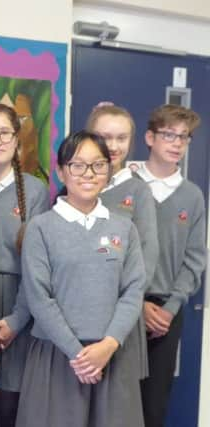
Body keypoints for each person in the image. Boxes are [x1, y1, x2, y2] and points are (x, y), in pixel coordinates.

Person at [16, 131, 145, 427]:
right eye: (77, 165)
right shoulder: (40, 228)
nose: (88, 174)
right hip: (57, 357)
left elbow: (133, 290)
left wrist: (109, 344)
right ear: (61, 171)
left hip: (112, 356)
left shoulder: (124, 228)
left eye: (98, 165)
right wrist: (79, 356)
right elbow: (39, 297)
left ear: (109, 171)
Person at [0, 104, 49, 427]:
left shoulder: (35, 192)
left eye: (5, 132)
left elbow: (39, 269)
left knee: (9, 410)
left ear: (17, 139)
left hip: (19, 312)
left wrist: (16, 321)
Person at [134, 105, 206, 427]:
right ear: (150, 137)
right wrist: (136, 304)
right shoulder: (127, 185)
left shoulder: (192, 196)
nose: (176, 143)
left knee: (154, 404)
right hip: (124, 305)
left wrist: (171, 306)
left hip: (166, 312)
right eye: (168, 135)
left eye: (184, 137)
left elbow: (195, 258)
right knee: (117, 401)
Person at [86, 103, 159, 382]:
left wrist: (128, 302)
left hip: (120, 315)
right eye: (104, 137)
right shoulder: (75, 184)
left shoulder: (138, 190)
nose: (113, 146)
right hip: (79, 311)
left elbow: (147, 254)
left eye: (121, 138)